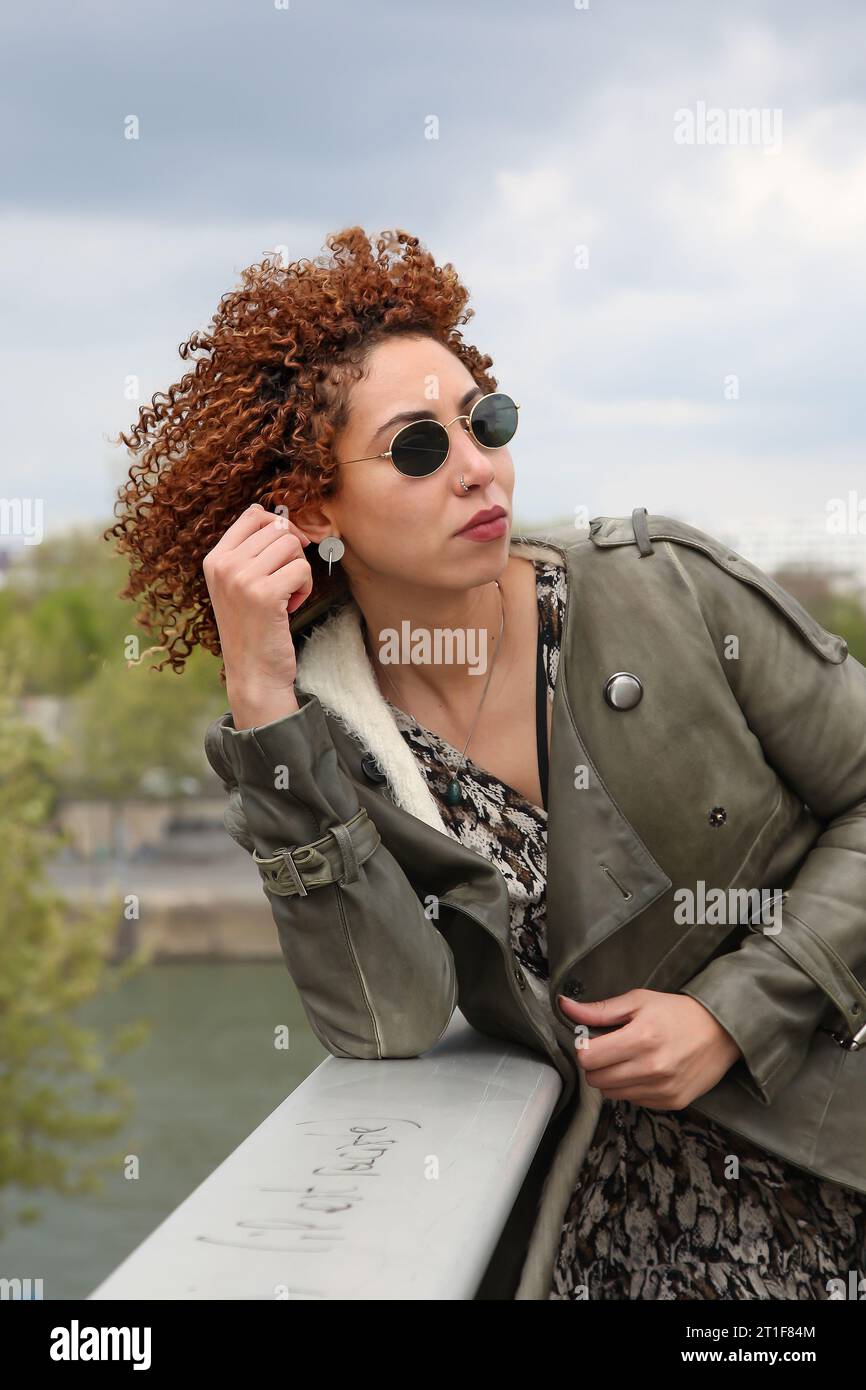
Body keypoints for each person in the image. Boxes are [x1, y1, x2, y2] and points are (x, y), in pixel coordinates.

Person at [105, 225, 866, 1299]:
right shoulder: (326, 740)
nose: (475, 468)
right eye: (416, 447)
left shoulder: (664, 591)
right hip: (580, 1233)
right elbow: (386, 1015)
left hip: (825, 1172)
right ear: (312, 506)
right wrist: (263, 702)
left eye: (484, 422)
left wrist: (732, 1013)